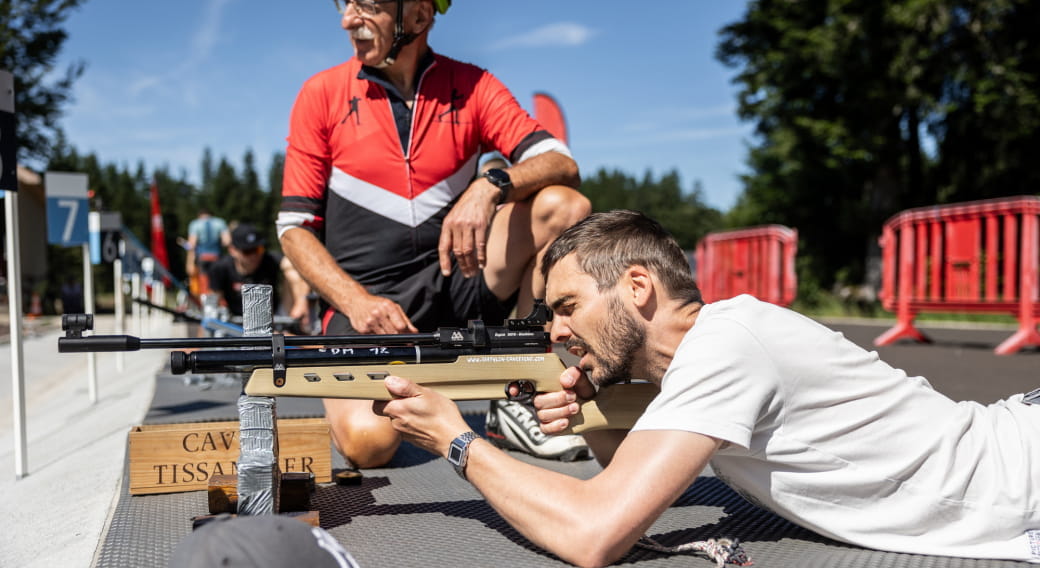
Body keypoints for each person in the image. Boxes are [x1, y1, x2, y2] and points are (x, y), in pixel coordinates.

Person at [373, 210, 1040, 567]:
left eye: (568, 305)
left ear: (637, 287)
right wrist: (596, 412)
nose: (557, 331)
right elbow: (639, 492)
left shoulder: (727, 344)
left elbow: (596, 533)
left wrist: (454, 439)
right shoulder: (706, 350)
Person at [277, 0, 592, 468]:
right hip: (367, 304)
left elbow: (562, 163)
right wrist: (355, 302)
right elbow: (294, 230)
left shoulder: (472, 85)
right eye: (346, 5)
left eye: (367, 6)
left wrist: (492, 184)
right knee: (368, 444)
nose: (347, 20)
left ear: (419, 17)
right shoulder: (320, 93)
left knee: (564, 207)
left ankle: (516, 392)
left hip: (454, 283)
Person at [207, 224, 311, 329]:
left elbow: (292, 265)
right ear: (233, 250)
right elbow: (214, 301)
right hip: (236, 322)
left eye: (257, 249)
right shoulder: (221, 268)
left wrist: (301, 302)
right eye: (247, 251)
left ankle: (293, 322)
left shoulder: (269, 259)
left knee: (292, 272)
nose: (254, 256)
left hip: (275, 317)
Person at [186, 208, 230, 298]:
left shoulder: (195, 224)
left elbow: (192, 245)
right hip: (217, 256)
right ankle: (219, 303)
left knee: (203, 281)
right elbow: (227, 241)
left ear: (199, 215)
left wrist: (189, 263)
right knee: (218, 281)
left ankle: (206, 301)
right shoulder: (220, 222)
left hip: (202, 257)